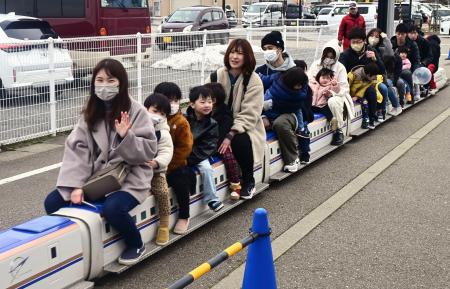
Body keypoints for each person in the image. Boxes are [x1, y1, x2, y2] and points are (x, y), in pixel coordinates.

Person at [44, 58, 157, 266]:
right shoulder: (90, 110)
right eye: (100, 80)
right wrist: (76, 184)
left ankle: (136, 243)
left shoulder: (137, 110)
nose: (104, 85)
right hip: (97, 176)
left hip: (129, 175)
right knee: (53, 202)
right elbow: (77, 149)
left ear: (121, 83)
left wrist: (126, 137)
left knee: (114, 208)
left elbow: (149, 150)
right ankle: (77, 243)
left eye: (111, 80)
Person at [206, 38, 265, 200]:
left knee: (240, 141)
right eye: (232, 52)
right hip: (218, 123)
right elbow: (202, 99)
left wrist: (230, 135)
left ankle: (248, 180)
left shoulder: (254, 81)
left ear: (248, 57)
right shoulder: (217, 75)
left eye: (240, 53)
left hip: (245, 126)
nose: (235, 57)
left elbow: (250, 114)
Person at [256, 31, 306, 172]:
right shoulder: (261, 71)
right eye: (264, 49)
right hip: (265, 112)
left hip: (290, 113)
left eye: (270, 47)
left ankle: (293, 158)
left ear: (280, 49)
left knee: (280, 123)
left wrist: (272, 104)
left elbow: (302, 97)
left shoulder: (294, 70)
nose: (267, 51)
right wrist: (263, 113)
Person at [154, 82, 194, 235]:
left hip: (175, 165)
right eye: (168, 100)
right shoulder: (151, 119)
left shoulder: (181, 122)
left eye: (176, 100)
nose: (173, 104)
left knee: (180, 180)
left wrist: (167, 167)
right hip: (153, 164)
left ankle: (184, 215)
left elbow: (185, 148)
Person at [185, 85, 224, 212]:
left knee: (207, 168)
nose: (207, 105)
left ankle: (212, 199)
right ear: (192, 104)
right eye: (202, 102)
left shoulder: (212, 124)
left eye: (210, 102)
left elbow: (207, 148)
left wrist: (188, 160)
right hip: (181, 152)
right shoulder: (184, 119)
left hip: (198, 155)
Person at [310, 39, 355, 145]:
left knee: (333, 101)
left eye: (331, 57)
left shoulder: (340, 68)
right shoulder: (315, 64)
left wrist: (332, 92)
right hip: (316, 95)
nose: (328, 59)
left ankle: (338, 130)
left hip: (335, 96)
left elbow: (344, 89)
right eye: (326, 56)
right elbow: (309, 80)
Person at [143, 93, 173, 246]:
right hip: (135, 170)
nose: (158, 116)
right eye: (155, 111)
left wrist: (156, 162)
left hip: (155, 172)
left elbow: (167, 151)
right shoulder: (135, 126)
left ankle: (164, 225)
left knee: (162, 192)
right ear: (145, 109)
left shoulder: (163, 133)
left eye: (162, 114)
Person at [204, 82, 241, 200]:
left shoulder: (225, 114)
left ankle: (235, 185)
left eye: (206, 98)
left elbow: (222, 133)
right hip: (204, 144)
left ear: (213, 100)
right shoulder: (202, 111)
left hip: (218, 143)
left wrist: (213, 146)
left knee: (228, 156)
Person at [366, 28, 401, 117]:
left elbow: (389, 54)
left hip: (383, 76)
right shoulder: (365, 48)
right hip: (369, 77)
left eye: (376, 36)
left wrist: (386, 39)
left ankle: (392, 107)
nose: (373, 38)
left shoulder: (380, 49)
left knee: (386, 85)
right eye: (371, 35)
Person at [391, 23, 421, 103]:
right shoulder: (391, 43)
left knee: (407, 73)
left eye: (403, 34)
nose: (400, 36)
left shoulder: (412, 44)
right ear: (396, 33)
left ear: (406, 34)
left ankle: (410, 94)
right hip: (393, 68)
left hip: (407, 67)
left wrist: (415, 71)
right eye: (398, 34)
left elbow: (416, 60)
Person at [348, 62, 382, 130]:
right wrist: (349, 98)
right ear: (368, 75)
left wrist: (357, 96)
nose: (375, 77)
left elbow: (365, 88)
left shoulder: (371, 78)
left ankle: (370, 119)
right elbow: (345, 87)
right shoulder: (352, 75)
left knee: (369, 96)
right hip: (349, 96)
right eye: (374, 76)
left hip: (359, 96)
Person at [407, 25, 434, 96]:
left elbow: (430, 56)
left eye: (414, 33)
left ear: (417, 33)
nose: (412, 35)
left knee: (419, 69)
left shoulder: (424, 42)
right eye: (410, 33)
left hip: (422, 62)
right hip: (409, 62)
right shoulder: (407, 41)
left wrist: (423, 63)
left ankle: (423, 87)